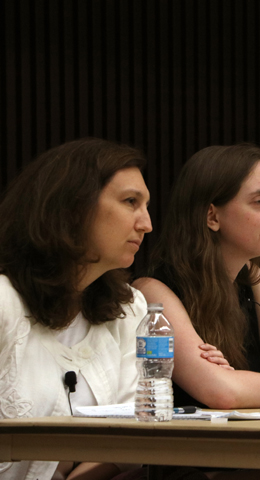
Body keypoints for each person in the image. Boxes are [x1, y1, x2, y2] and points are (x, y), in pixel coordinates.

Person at [133, 144, 260, 410]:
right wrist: (230, 383)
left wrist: (236, 381)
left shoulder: (253, 278)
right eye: (259, 201)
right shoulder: (153, 290)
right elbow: (221, 392)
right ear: (212, 216)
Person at [0, 138, 152, 480]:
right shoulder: (4, 303)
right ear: (73, 207)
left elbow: (137, 433)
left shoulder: (128, 309)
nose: (147, 224)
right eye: (131, 202)